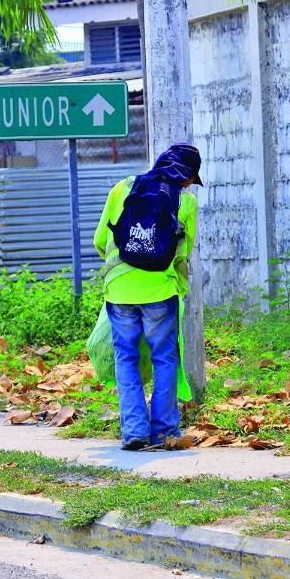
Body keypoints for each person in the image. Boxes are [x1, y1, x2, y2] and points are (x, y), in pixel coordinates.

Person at [94, 144, 201, 451]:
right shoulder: (186, 201)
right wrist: (175, 284)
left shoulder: (122, 187)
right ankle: (165, 431)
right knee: (165, 358)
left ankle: (134, 431)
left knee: (125, 358)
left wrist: (123, 269)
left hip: (119, 291)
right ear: (187, 176)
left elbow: (100, 239)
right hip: (160, 292)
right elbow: (183, 254)